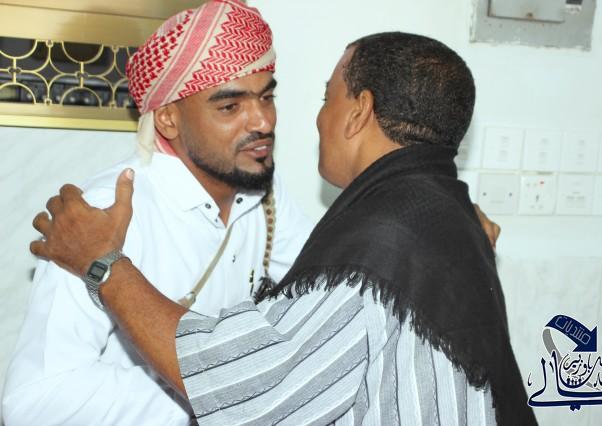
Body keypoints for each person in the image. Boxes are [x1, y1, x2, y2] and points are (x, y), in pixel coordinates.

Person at [2, 2, 499, 425]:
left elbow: (331, 300)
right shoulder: (102, 218)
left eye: (267, 96)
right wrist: (217, 397)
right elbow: (32, 401)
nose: (263, 121)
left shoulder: (264, 194)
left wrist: (429, 236)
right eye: (229, 107)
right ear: (169, 118)